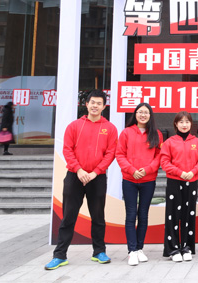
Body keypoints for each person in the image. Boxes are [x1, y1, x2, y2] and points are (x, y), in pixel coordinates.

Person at [45, 90, 118, 270]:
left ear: (104, 106)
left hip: (97, 177)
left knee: (98, 217)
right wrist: (79, 170)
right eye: (92, 102)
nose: (95, 106)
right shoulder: (74, 126)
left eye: (99, 103)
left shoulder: (110, 128)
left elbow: (111, 153)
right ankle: (60, 255)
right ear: (86, 104)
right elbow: (67, 149)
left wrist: (95, 172)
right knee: (68, 216)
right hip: (74, 176)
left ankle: (99, 252)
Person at [115, 103, 163, 266]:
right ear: (135, 114)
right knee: (131, 215)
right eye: (140, 112)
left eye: (146, 112)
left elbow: (159, 156)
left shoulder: (156, 134)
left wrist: (147, 169)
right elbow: (120, 154)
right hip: (129, 179)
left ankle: (140, 248)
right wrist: (131, 170)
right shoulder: (126, 132)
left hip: (148, 180)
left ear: (150, 115)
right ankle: (132, 251)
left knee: (143, 214)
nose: (143, 115)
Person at [161, 111, 198, 262]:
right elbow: (164, 162)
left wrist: (193, 172)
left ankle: (186, 247)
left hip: (191, 181)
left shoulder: (197, 142)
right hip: (174, 181)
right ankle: (173, 249)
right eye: (181, 122)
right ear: (176, 124)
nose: (184, 125)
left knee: (189, 214)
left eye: (187, 122)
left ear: (191, 124)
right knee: (172, 215)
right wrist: (180, 173)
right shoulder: (169, 142)